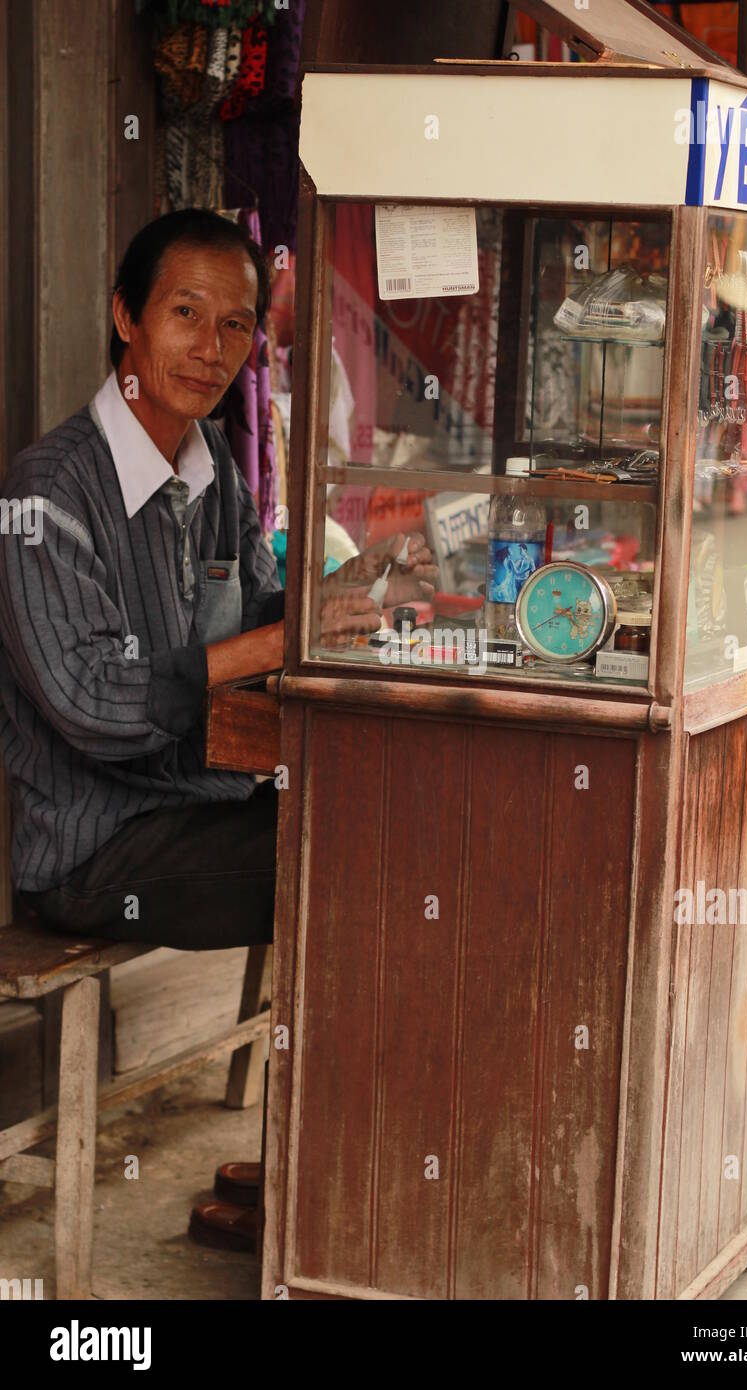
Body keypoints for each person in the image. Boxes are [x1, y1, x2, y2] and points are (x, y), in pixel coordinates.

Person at [0, 207, 435, 1247]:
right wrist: (273, 642)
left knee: (397, 824)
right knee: (355, 871)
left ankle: (313, 1160)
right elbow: (95, 705)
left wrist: (355, 580)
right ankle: (322, 1188)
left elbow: (254, 615)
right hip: (93, 846)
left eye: (236, 325)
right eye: (184, 313)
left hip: (200, 802)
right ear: (124, 318)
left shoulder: (211, 478)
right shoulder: (44, 495)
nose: (211, 347)